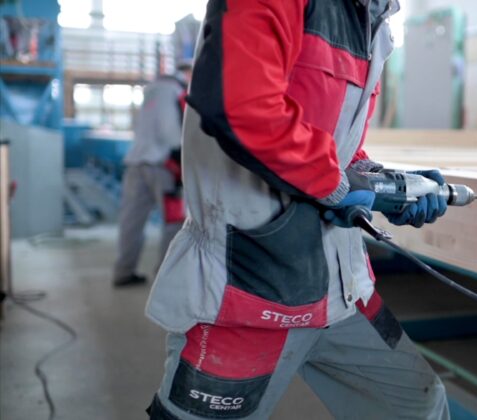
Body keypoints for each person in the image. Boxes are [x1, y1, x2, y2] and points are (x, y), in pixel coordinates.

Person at [144, 1, 450, 419]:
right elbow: (241, 107)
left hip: (341, 289)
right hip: (250, 283)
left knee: (419, 405)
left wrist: (380, 180)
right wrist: (339, 186)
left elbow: (336, 142)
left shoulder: (374, 21)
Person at [112, 63, 192, 287]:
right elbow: (170, 132)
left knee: (131, 221)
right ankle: (164, 279)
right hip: (162, 166)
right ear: (188, 73)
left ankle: (123, 271)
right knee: (173, 222)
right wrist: (180, 155)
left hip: (135, 163)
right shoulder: (175, 90)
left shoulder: (150, 90)